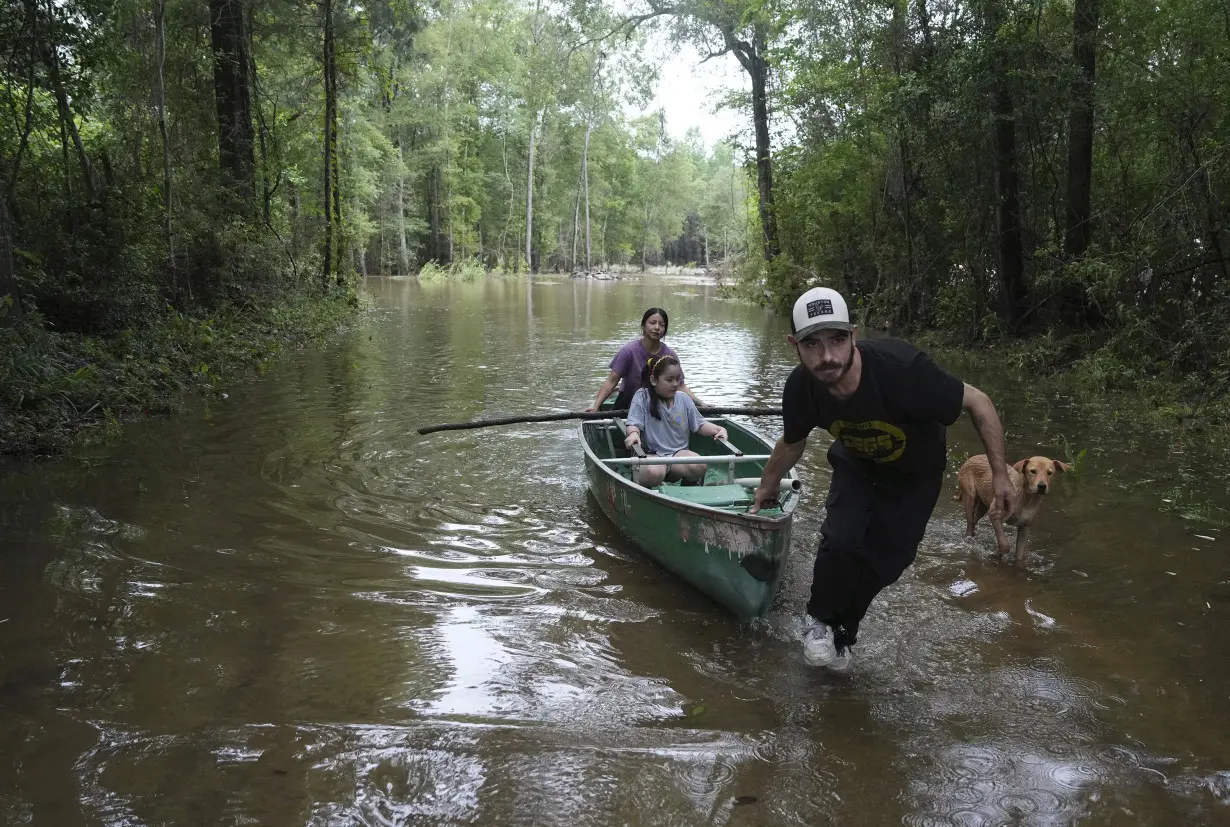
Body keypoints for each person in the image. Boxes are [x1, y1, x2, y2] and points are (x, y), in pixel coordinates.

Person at [750, 286, 1018, 673]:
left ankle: (845, 635)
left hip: (916, 474)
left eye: (838, 340)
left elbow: (979, 403)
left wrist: (1000, 475)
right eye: (813, 343)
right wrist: (767, 485)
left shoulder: (904, 370)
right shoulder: (801, 389)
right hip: (857, 463)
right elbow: (792, 444)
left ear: (854, 335)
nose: (827, 356)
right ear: (794, 343)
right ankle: (819, 622)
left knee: (888, 562)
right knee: (842, 540)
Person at [624, 355, 727, 488]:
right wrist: (633, 434)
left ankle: (688, 491)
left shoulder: (683, 398)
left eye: (677, 379)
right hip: (651, 455)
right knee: (652, 472)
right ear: (654, 380)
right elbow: (634, 423)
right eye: (669, 380)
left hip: (677, 454)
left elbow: (700, 424)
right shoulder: (642, 396)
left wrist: (718, 429)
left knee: (700, 464)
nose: (675, 384)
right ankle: (645, 491)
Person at [586, 307, 704, 412]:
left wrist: (700, 403)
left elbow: (680, 385)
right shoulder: (629, 351)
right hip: (628, 404)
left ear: (665, 330)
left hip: (660, 406)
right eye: (652, 323)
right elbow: (612, 381)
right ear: (643, 326)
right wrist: (596, 406)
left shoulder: (669, 355)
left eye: (661, 325)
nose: (657, 328)